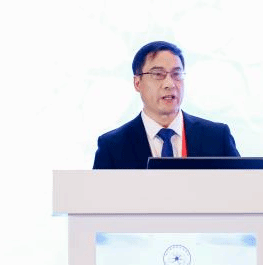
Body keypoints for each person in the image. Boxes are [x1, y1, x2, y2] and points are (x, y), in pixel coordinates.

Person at [92, 41, 240, 169]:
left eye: (177, 74)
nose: (170, 84)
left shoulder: (217, 137)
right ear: (137, 83)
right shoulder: (112, 146)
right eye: (158, 74)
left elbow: (242, 188)